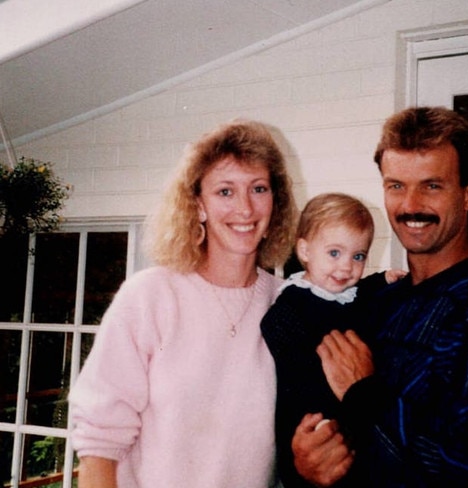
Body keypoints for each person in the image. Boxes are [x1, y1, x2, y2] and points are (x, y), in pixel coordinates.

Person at [291, 106, 468, 487]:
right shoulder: (378, 302)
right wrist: (313, 463)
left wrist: (364, 395)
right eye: (396, 185)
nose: (411, 205)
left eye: (432, 185)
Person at [68, 119, 297, 488]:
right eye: (225, 191)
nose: (245, 208)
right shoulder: (151, 296)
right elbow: (99, 441)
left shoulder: (288, 305)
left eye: (259, 188)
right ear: (198, 205)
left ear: (276, 203)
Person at [261, 192, 405, 488]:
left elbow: (364, 291)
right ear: (304, 250)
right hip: (308, 418)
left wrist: (383, 279)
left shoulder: (352, 294)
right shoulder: (292, 305)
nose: (345, 267)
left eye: (358, 256)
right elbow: (277, 336)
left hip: (349, 414)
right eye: (334, 253)